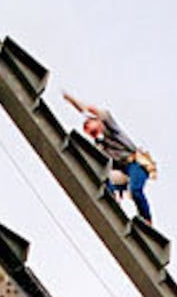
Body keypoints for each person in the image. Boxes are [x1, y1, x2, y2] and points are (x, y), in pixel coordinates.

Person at [63, 92, 154, 223]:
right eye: (88, 131)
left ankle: (146, 219)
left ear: (97, 122)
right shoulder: (100, 145)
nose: (89, 131)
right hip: (123, 173)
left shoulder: (109, 127)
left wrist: (73, 102)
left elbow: (90, 109)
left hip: (135, 164)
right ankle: (112, 203)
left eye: (90, 125)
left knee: (135, 190)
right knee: (104, 176)